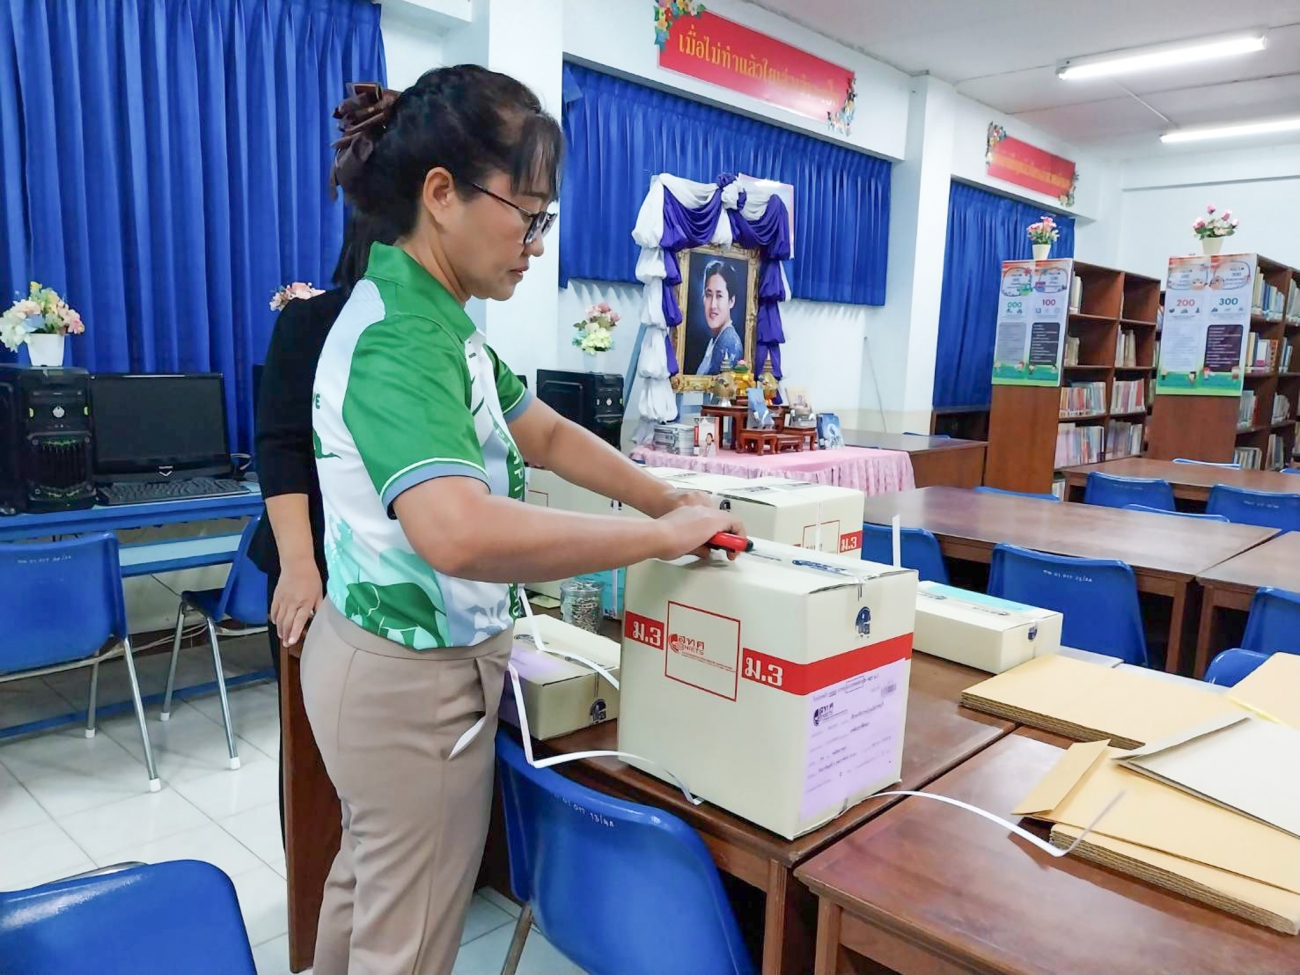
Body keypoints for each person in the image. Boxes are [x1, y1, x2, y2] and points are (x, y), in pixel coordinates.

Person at [302, 68, 745, 975]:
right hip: (409, 684)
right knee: (408, 938)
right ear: (441, 194)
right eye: (528, 216)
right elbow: (458, 531)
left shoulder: (439, 319)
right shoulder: (402, 340)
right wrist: (657, 539)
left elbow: (540, 431)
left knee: (371, 889)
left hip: (381, 662)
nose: (537, 245)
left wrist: (663, 497)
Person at [698, 259, 744, 375]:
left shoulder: (729, 343)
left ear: (731, 301)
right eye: (708, 295)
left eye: (719, 296)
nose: (713, 305)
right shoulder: (715, 339)